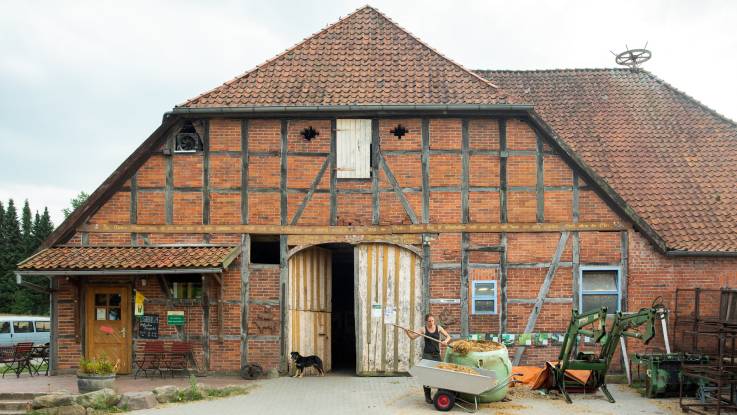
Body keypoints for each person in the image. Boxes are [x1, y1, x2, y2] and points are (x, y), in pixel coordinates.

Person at [404, 313, 451, 404]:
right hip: (427, 355)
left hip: (436, 355)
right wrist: (407, 332)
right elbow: (412, 337)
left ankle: (440, 394)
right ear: (426, 321)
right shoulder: (423, 329)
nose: (431, 323)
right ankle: (428, 397)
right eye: (429, 321)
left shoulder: (439, 328)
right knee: (426, 376)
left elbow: (448, 337)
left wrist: (445, 341)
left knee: (441, 374)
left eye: (432, 320)